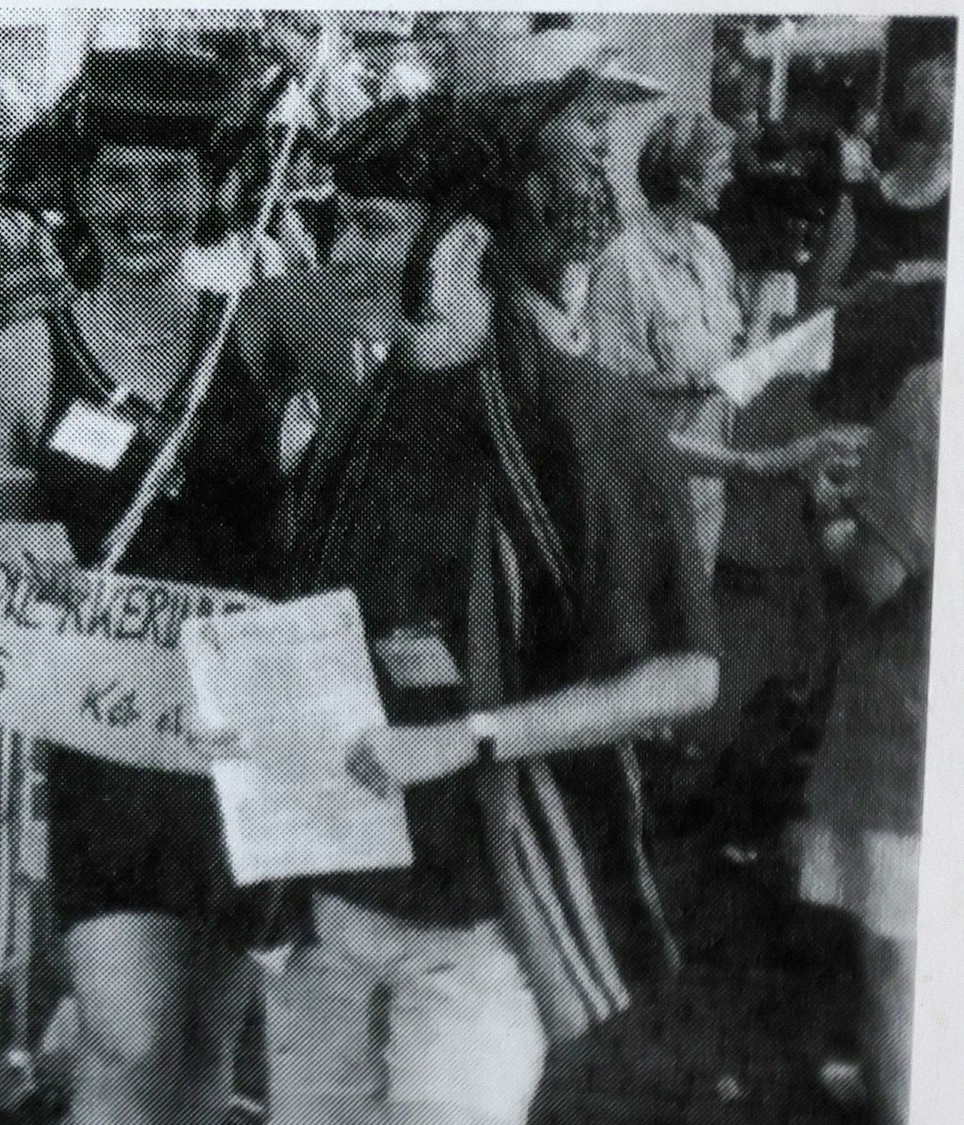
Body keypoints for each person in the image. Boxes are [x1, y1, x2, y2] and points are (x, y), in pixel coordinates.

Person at [271, 30, 722, 1125]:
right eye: (339, 222)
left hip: (484, 918)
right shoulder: (353, 414)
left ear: (467, 239)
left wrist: (465, 737)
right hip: (327, 908)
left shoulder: (582, 422)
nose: (339, 252)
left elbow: (681, 678)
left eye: (374, 227)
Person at [0, 47, 310, 1125]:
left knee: (207, 1036)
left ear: (209, 190)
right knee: (124, 1030)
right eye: (114, 179)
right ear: (77, 192)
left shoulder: (259, 336)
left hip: (241, 735)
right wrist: (4, 545)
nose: (141, 207)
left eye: (168, 178)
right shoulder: (24, 355)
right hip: (103, 740)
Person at [589, 111, 865, 581]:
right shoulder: (625, 264)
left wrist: (769, 337)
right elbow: (612, 389)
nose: (729, 178)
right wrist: (699, 382)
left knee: (697, 598)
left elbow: (734, 351)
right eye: (719, 167)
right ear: (685, 180)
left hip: (708, 477)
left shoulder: (708, 248)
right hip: (650, 482)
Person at [795, 347, 938, 1125]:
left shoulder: (934, 395)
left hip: (914, 724)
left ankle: (903, 1095)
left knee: (897, 954)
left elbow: (874, 575)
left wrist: (831, 514)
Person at [810, 47, 953, 308]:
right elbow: (821, 295)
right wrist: (857, 296)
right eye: (916, 131)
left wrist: (939, 271)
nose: (934, 148)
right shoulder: (857, 202)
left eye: (944, 133)